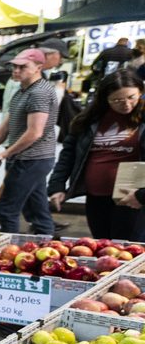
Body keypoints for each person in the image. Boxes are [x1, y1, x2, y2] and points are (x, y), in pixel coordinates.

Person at [48, 70, 145, 240]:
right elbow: (68, 155)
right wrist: (57, 185)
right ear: (105, 99)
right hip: (96, 197)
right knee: (102, 246)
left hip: (132, 198)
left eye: (131, 97)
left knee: (129, 249)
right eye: (117, 100)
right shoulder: (89, 120)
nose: (127, 105)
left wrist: (141, 195)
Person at [0, 49, 58, 235]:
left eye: (22, 66)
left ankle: (9, 251)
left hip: (32, 158)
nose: (16, 70)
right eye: (14, 66)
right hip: (25, 158)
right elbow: (5, 127)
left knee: (7, 209)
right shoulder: (21, 92)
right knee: (37, 210)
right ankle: (45, 245)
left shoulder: (40, 93)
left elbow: (34, 133)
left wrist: (4, 153)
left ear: (38, 67)